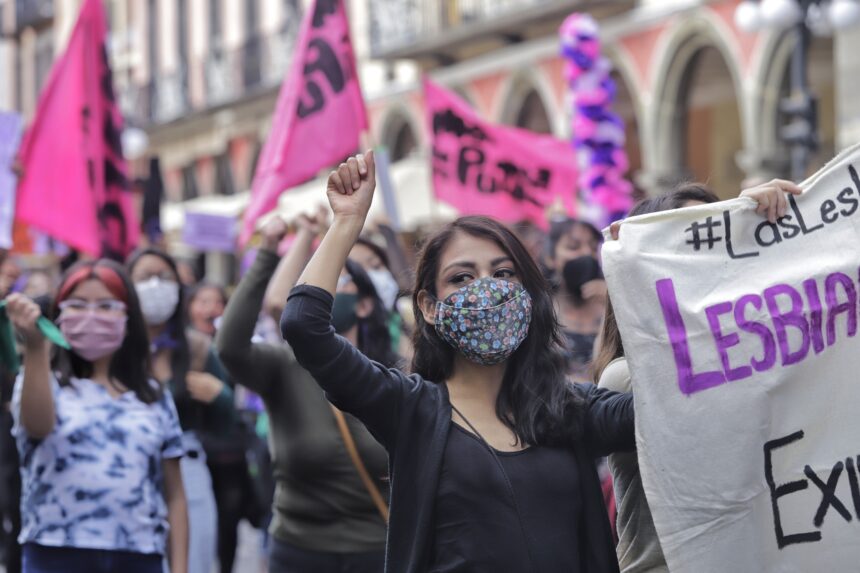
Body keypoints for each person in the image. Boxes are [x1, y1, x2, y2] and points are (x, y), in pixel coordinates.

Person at [281, 151, 635, 573]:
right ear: (429, 307)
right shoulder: (408, 408)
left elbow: (669, 403)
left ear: (527, 295)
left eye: (503, 274)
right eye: (461, 278)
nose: (486, 289)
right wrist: (346, 222)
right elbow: (304, 326)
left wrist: (640, 274)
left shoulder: (570, 408)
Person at [595, 180, 802, 573]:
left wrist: (775, 235)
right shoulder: (626, 377)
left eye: (716, 242)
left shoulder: (757, 352)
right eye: (687, 249)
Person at [216, 210, 397, 573]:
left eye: (341, 279)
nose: (329, 289)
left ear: (364, 304)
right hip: (298, 550)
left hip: (380, 551)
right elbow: (230, 347)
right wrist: (267, 252)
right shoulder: (285, 366)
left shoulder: (394, 375)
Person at [5, 260, 188, 573]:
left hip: (139, 555)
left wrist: (180, 568)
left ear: (128, 317)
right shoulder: (41, 380)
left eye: (106, 305)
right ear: (58, 315)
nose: (91, 315)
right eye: (77, 305)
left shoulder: (152, 395)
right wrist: (36, 348)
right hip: (55, 553)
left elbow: (175, 496)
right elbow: (37, 426)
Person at [127, 248, 235, 573]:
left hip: (187, 470)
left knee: (193, 559)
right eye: (145, 277)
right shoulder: (112, 347)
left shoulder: (197, 347)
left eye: (164, 277)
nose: (155, 285)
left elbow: (226, 425)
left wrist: (220, 396)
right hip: (127, 468)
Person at [547, 218, 607, 380]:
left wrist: (612, 308)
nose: (586, 253)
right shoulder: (539, 311)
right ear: (550, 258)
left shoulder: (612, 305)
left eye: (593, 248)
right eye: (573, 247)